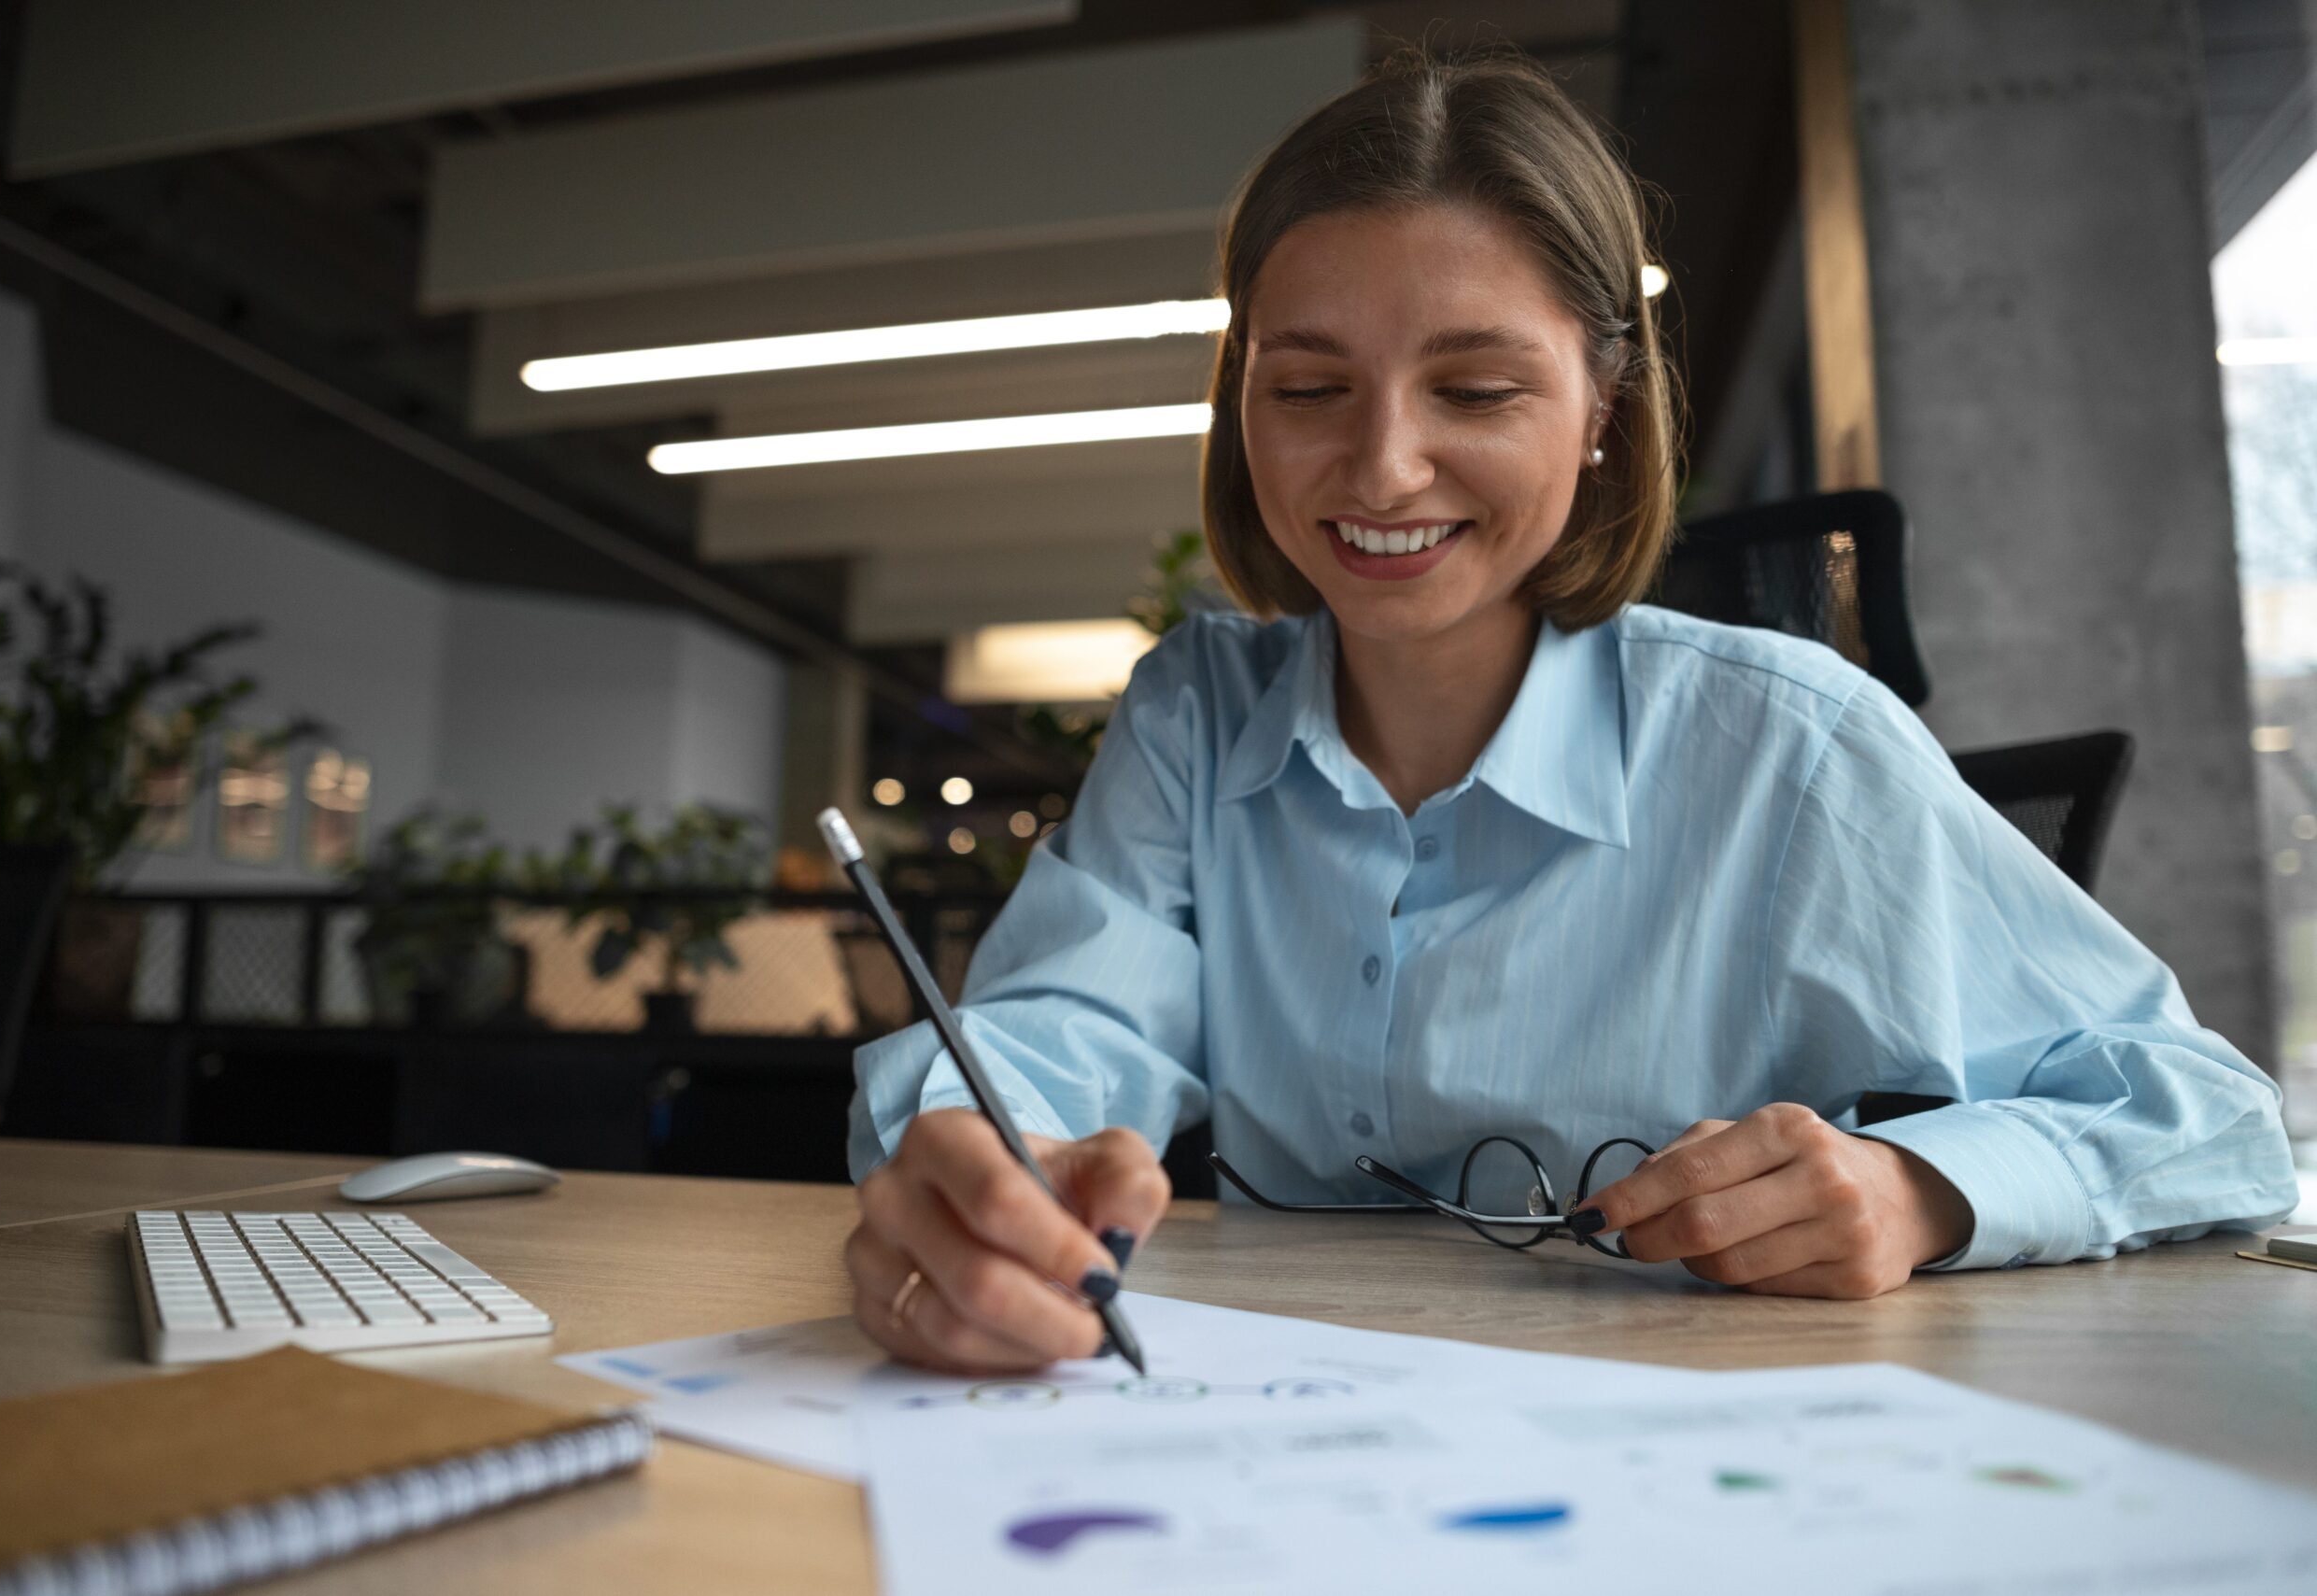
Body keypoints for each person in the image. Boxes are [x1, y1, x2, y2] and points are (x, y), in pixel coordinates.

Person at [841, 49, 2299, 1374]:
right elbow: (1064, 1022)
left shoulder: (1790, 743)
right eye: (1306, 387)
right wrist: (980, 1155)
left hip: (1676, 1444)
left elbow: (2213, 1117)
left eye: (1474, 388)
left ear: (1604, 408)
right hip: (1283, 1423)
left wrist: (1916, 1186)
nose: (1384, 466)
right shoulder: (1197, 712)